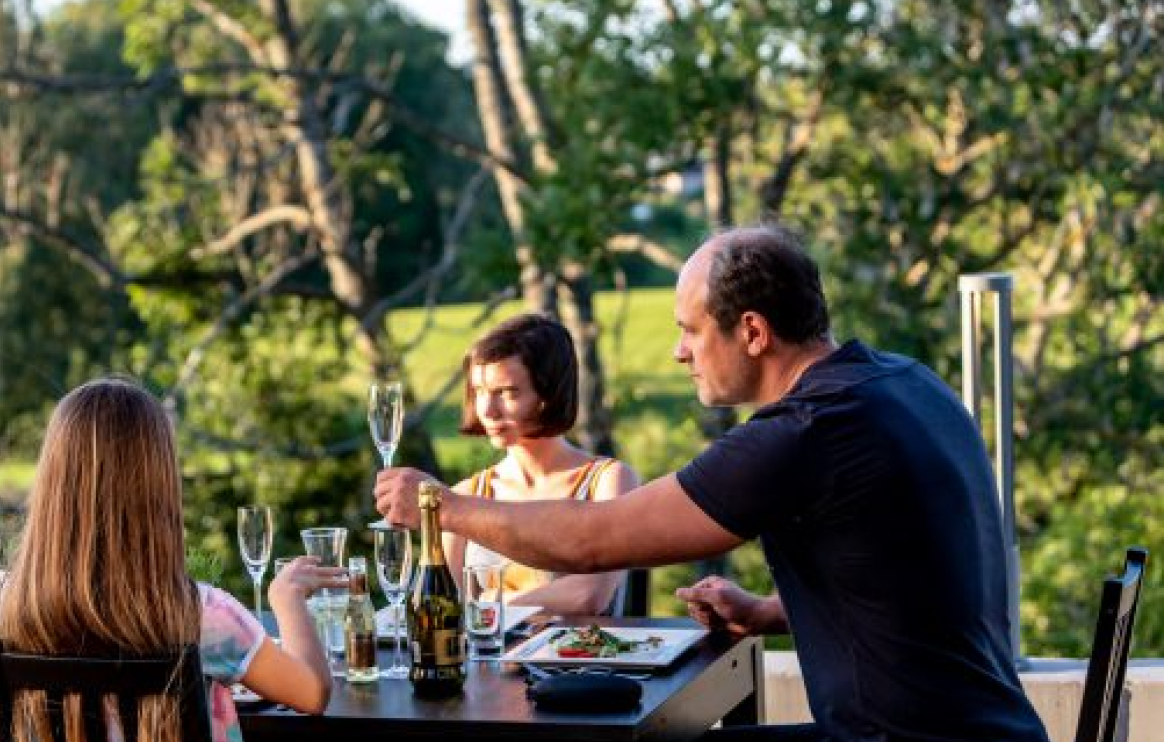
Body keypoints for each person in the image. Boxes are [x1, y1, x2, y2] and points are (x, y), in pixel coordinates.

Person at [376, 226, 1048, 742]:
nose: (679, 351)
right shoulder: (906, 381)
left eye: (690, 331)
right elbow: (918, 583)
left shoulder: (803, 432)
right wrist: (767, 612)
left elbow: (592, 541)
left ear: (752, 331)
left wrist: (441, 505)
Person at [0, 378, 335, 742]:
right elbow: (312, 693)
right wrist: (287, 600)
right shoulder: (201, 615)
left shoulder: (21, 609)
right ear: (158, 486)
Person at [447, 313, 639, 613]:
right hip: (491, 647)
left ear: (549, 393)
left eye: (507, 392)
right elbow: (448, 610)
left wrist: (488, 604)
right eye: (480, 391)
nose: (488, 410)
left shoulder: (607, 480)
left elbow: (588, 595)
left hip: (582, 646)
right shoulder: (465, 495)